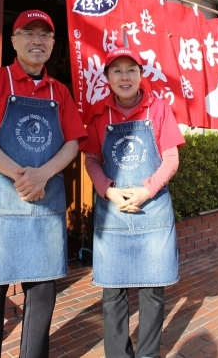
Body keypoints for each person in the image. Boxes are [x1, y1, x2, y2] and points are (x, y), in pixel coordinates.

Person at [0, 9, 87, 358]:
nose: (37, 41)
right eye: (28, 33)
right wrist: (21, 175)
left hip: (42, 202)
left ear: (52, 44)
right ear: (14, 41)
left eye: (45, 35)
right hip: (0, 201)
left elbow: (73, 143)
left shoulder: (59, 91)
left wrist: (42, 174)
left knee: (42, 293)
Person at [80, 47, 185, 358]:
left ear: (141, 75)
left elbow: (171, 158)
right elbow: (91, 160)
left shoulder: (159, 108)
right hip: (113, 212)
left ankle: (149, 353)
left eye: (131, 70)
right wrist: (108, 191)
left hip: (151, 209)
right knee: (113, 291)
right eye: (117, 71)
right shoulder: (99, 113)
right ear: (108, 77)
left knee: (153, 290)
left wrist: (147, 190)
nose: (124, 77)